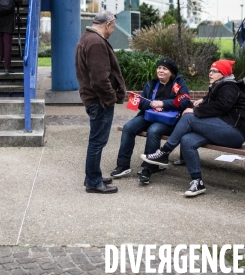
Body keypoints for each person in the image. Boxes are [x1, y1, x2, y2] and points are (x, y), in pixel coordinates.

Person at [141, 60, 245, 197]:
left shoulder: (229, 86)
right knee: (187, 140)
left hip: (233, 132)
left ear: (223, 74)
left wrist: (196, 111)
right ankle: (197, 181)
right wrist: (204, 99)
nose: (210, 73)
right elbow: (217, 99)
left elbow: (223, 105)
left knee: (188, 117)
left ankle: (165, 152)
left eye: (214, 71)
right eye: (210, 70)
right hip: (219, 128)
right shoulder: (219, 85)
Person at [110, 58, 192, 185]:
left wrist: (163, 103)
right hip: (149, 115)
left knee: (153, 130)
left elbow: (184, 101)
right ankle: (123, 165)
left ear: (172, 72)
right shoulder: (151, 84)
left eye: (165, 69)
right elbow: (142, 103)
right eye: (159, 68)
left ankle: (148, 168)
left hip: (168, 120)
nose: (161, 70)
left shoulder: (179, 83)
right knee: (128, 127)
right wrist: (151, 105)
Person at [75, 11, 126, 194]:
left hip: (94, 99)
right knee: (97, 142)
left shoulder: (87, 38)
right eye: (113, 26)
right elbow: (99, 79)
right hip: (99, 101)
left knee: (96, 141)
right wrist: (110, 98)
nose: (112, 30)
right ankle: (94, 182)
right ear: (108, 24)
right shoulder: (96, 42)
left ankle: (92, 176)